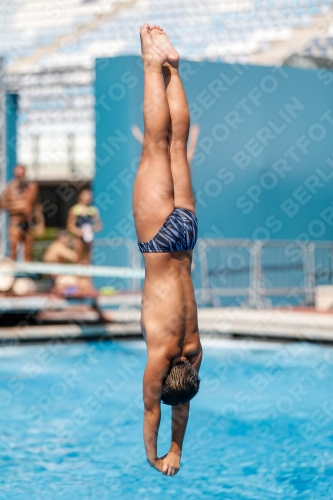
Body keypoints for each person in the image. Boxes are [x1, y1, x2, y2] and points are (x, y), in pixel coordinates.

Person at [133, 24, 203, 477]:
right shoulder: (160, 356)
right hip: (159, 243)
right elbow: (154, 411)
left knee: (176, 146)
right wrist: (156, 456)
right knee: (157, 148)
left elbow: (182, 401)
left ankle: (173, 69)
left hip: (187, 236)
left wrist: (178, 449)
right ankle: (150, 64)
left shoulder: (194, 350)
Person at [0, 165, 44, 261]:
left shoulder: (31, 187)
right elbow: (2, 205)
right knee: (13, 252)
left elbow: (36, 206)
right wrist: (18, 206)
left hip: (29, 223)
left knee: (28, 253)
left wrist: (41, 223)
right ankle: (12, 274)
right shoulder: (9, 188)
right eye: (18, 175)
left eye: (22, 174)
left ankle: (27, 275)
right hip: (15, 223)